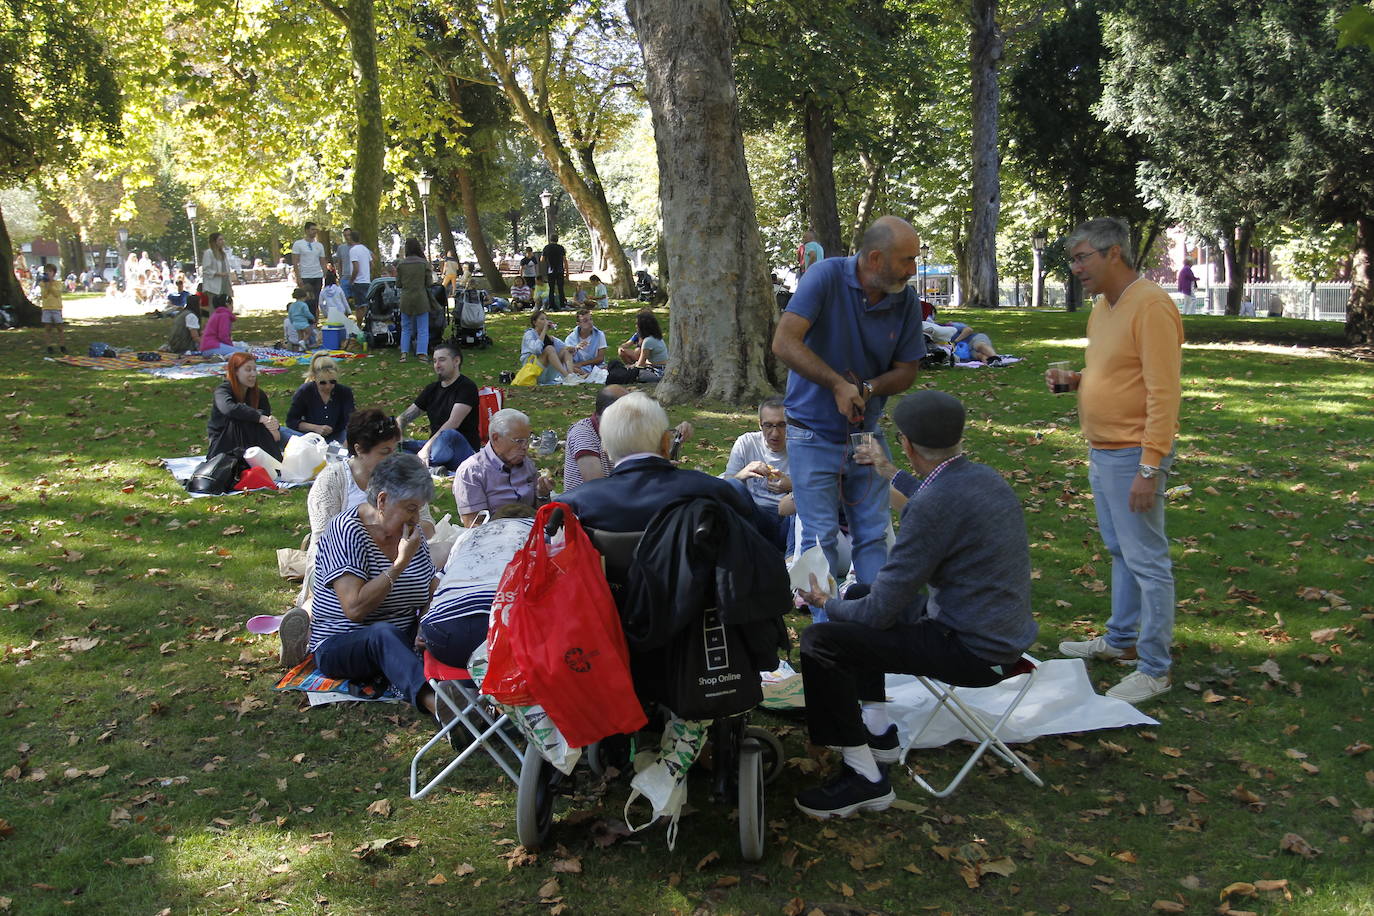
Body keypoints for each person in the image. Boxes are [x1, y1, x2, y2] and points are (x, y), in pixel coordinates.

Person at [792, 391, 1037, 818]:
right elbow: (936, 495)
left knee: (822, 640)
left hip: (974, 651)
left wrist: (825, 603)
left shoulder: (933, 508)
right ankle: (878, 731)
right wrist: (891, 474)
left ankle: (863, 778)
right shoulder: (985, 478)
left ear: (904, 442)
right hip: (1000, 631)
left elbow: (878, 615)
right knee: (859, 593)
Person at [1052, 217, 1183, 704]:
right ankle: (1121, 640)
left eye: (1083, 257)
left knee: (1148, 561)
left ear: (1114, 254)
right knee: (1120, 551)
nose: (1076, 268)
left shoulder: (1150, 305)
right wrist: (1078, 381)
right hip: (1103, 450)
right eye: (1073, 259)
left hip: (1134, 455)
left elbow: (1164, 393)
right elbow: (1113, 370)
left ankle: (1154, 668)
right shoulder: (1103, 307)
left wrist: (1150, 466)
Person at [770, 215, 925, 593]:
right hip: (810, 433)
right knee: (818, 541)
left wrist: (868, 388)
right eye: (906, 260)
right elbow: (784, 342)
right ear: (875, 258)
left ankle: (871, 629)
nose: (913, 269)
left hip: (865, 434)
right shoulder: (824, 276)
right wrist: (837, 384)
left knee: (873, 534)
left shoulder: (903, 299)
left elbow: (907, 370)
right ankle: (827, 635)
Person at [304, 453, 440, 719]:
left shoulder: (411, 533)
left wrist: (425, 623)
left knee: (452, 625)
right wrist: (399, 564)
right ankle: (438, 706)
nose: (416, 519)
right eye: (410, 508)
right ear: (382, 500)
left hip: (402, 635)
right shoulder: (346, 530)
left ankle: (488, 693)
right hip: (342, 642)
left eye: (418, 509)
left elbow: (429, 586)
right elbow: (354, 608)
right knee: (382, 634)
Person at [559, 392, 761, 534]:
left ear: (605, 447)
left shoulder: (570, 506)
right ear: (665, 442)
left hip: (605, 593)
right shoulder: (713, 491)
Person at [421, 505, 534, 674]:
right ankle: (487, 688)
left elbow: (436, 584)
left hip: (442, 635)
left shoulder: (467, 536)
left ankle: (474, 686)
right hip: (502, 631)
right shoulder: (537, 531)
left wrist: (421, 626)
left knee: (476, 647)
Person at [562, 385, 693, 492]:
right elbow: (596, 486)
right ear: (611, 413)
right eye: (629, 412)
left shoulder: (621, 428)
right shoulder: (583, 432)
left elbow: (646, 453)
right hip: (587, 513)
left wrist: (674, 437)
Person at [453, 408, 553, 525]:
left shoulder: (527, 464)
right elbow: (473, 525)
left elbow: (543, 514)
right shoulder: (472, 471)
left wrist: (543, 494)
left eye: (527, 440)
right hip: (493, 537)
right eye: (519, 441)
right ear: (496, 438)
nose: (525, 446)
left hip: (533, 532)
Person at [722, 396, 792, 552]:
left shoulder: (800, 446)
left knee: (800, 500)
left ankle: (791, 558)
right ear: (760, 425)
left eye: (782, 425)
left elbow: (817, 491)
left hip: (788, 520)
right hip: (755, 516)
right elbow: (724, 488)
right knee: (734, 485)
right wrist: (743, 474)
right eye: (768, 425)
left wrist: (791, 486)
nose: (775, 433)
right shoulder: (746, 442)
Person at [397, 343, 480, 472]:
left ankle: (418, 463)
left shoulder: (466, 387)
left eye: (442, 360)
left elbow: (453, 423)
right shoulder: (432, 389)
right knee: (394, 447)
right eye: (435, 361)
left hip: (462, 450)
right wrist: (398, 429)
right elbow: (407, 415)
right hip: (436, 447)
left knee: (448, 435)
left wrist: (426, 448)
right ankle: (432, 468)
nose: (437, 365)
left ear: (456, 361)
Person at [206, 352, 284, 461]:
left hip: (253, 441)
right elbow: (229, 408)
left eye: (254, 370)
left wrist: (273, 424)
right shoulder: (222, 391)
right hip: (223, 445)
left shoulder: (258, 394)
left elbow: (267, 420)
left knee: (292, 438)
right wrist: (258, 417)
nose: (253, 374)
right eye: (248, 370)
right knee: (244, 418)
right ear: (235, 372)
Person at [287, 355, 355, 444]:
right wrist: (315, 428)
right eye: (322, 383)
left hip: (338, 435)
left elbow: (351, 420)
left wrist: (347, 441)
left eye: (332, 382)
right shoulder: (305, 391)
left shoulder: (344, 392)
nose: (328, 386)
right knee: (282, 431)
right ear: (314, 378)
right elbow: (291, 421)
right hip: (310, 437)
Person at [395, 237, 433, 363]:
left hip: (406, 298)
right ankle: (422, 354)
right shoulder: (423, 263)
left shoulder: (401, 264)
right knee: (423, 328)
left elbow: (398, 284)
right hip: (421, 298)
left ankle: (404, 354)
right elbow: (429, 283)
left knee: (405, 327)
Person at [520, 310, 577, 383]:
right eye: (542, 319)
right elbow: (536, 350)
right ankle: (567, 376)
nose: (545, 321)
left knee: (566, 350)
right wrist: (544, 331)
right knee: (549, 348)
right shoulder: (529, 334)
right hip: (533, 371)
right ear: (535, 323)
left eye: (546, 319)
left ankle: (571, 376)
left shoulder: (549, 338)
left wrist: (572, 348)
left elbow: (564, 347)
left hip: (547, 373)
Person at [616, 309, 670, 381]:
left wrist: (630, 367)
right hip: (659, 368)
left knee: (631, 373)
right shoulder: (656, 337)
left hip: (658, 372)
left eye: (637, 324)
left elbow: (640, 365)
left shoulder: (648, 341)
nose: (636, 326)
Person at [291, 222, 327, 317]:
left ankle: (315, 321)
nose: (314, 232)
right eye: (312, 229)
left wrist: (325, 273)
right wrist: (298, 277)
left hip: (317, 276)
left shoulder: (319, 245)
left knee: (315, 300)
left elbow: (322, 260)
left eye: (315, 230)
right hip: (305, 276)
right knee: (305, 300)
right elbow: (295, 261)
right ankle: (305, 320)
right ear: (306, 230)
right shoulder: (298, 244)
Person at [563, 308, 607, 376]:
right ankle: (587, 375)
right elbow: (566, 357)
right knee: (567, 367)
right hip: (577, 367)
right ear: (578, 324)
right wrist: (576, 348)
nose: (590, 322)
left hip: (596, 366)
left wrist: (581, 364)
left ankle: (587, 375)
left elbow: (600, 358)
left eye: (591, 319)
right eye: (585, 321)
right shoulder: (570, 339)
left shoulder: (599, 335)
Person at [37, 264, 66, 355]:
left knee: (59, 327)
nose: (48, 273)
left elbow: (56, 293)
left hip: (56, 307)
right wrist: (46, 285)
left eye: (50, 271)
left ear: (54, 273)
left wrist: (50, 284)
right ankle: (49, 346)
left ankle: (62, 345)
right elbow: (44, 295)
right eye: (46, 271)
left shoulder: (58, 283)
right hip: (46, 308)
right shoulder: (42, 284)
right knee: (47, 328)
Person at [201, 233, 233, 307]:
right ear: (214, 242)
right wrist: (218, 273)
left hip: (224, 283)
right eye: (220, 240)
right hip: (213, 285)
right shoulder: (209, 253)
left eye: (223, 239)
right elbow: (206, 269)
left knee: (226, 304)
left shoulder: (223, 253)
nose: (222, 241)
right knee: (214, 306)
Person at [542, 234, 567, 310]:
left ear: (550, 239)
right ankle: (562, 305)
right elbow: (564, 260)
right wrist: (567, 272)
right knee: (560, 288)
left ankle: (551, 305)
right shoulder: (561, 248)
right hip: (560, 270)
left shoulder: (547, 248)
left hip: (551, 270)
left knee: (551, 289)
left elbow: (542, 259)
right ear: (557, 239)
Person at [349, 232, 374, 299]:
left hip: (358, 282)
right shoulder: (365, 249)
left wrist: (351, 280)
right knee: (366, 303)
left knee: (359, 306)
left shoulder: (353, 250)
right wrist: (366, 273)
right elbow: (372, 264)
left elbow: (356, 268)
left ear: (351, 238)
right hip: (367, 281)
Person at [333, 228, 355, 303]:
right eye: (345, 235)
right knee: (343, 302)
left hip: (357, 278)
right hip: (345, 278)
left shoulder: (358, 247)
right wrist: (340, 276)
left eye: (349, 235)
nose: (347, 237)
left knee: (359, 303)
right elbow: (339, 263)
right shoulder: (341, 248)